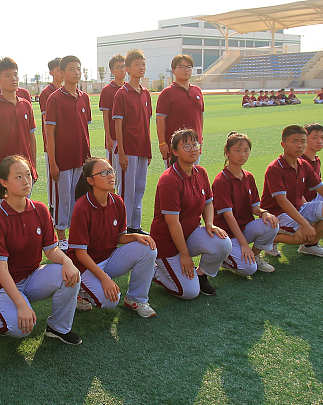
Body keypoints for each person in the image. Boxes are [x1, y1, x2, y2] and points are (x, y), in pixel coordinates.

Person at [0, 155, 82, 344]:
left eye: (28, 174)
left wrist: (67, 261)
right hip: (1, 284)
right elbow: (1, 270)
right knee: (21, 330)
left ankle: (58, 328)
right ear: (4, 182)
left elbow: (51, 250)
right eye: (18, 176)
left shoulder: (40, 209)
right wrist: (21, 305)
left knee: (70, 274)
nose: (26, 180)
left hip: (31, 277)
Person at [68, 157, 158, 316]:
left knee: (147, 248)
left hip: (108, 258)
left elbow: (119, 237)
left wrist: (135, 236)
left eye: (111, 171)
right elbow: (80, 254)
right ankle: (80, 292)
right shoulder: (82, 207)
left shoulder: (117, 201)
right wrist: (104, 279)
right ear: (90, 180)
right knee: (111, 300)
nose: (110, 175)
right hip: (83, 265)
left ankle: (136, 299)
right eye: (103, 173)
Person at [149, 129, 231, 298]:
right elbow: (172, 222)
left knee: (223, 243)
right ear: (175, 151)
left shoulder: (201, 172)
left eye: (195, 144)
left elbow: (208, 203)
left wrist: (209, 223)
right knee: (189, 292)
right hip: (167, 243)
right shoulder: (169, 180)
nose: (193, 149)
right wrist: (185, 255)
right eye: (186, 146)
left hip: (190, 234)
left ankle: (201, 275)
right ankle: (154, 272)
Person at [260, 125, 323, 258]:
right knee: (301, 235)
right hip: (277, 213)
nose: (300, 145)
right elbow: (282, 202)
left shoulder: (303, 164)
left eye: (303, 141)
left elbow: (321, 188)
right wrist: (305, 224)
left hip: (298, 208)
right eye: (295, 141)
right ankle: (269, 239)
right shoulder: (275, 168)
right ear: (283, 144)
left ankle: (310, 246)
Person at [212, 131, 280, 276]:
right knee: (249, 269)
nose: (242, 154)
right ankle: (224, 258)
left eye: (246, 150)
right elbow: (228, 217)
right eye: (237, 150)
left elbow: (255, 207)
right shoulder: (221, 180)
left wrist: (264, 213)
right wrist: (244, 244)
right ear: (227, 152)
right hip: (227, 234)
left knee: (272, 222)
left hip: (243, 228)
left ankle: (254, 255)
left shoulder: (249, 176)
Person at [44, 55, 92, 245]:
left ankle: (76, 235)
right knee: (63, 198)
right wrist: (53, 162)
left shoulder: (84, 98)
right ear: (62, 73)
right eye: (72, 69)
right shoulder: (55, 98)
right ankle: (61, 237)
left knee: (78, 197)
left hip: (81, 157)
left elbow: (85, 128)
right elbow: (50, 132)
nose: (76, 72)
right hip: (62, 159)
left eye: (79, 68)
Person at [0, 56, 38, 197]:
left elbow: (32, 138)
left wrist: (33, 167)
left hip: (25, 171)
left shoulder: (25, 104)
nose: (13, 78)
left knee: (25, 211)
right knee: (6, 213)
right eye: (8, 75)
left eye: (15, 74)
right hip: (5, 173)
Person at [112, 49, 152, 233]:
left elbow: (147, 123)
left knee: (140, 188)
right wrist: (121, 151)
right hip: (128, 149)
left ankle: (135, 225)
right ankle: (123, 227)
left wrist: (149, 150)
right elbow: (118, 125)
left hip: (143, 148)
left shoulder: (146, 93)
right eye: (137, 64)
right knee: (126, 191)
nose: (141, 67)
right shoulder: (122, 93)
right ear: (128, 68)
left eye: (143, 64)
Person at [156, 54, 205, 164]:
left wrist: (200, 138)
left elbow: (200, 117)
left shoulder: (197, 91)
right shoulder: (167, 93)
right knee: (174, 178)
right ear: (173, 71)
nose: (186, 70)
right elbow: (160, 120)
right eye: (181, 67)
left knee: (193, 177)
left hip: (194, 145)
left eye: (188, 67)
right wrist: (162, 143)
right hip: (175, 147)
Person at [38, 57, 65, 218]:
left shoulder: (65, 91)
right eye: (57, 70)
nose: (61, 73)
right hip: (53, 143)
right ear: (51, 72)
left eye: (62, 70)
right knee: (53, 177)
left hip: (66, 143)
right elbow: (46, 122)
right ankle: (53, 207)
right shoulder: (47, 93)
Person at [99, 54, 127, 194]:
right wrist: (108, 138)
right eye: (118, 67)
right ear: (112, 70)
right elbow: (106, 116)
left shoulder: (129, 89)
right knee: (112, 174)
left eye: (123, 66)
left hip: (128, 139)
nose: (122, 70)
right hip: (114, 139)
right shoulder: (107, 90)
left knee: (125, 176)